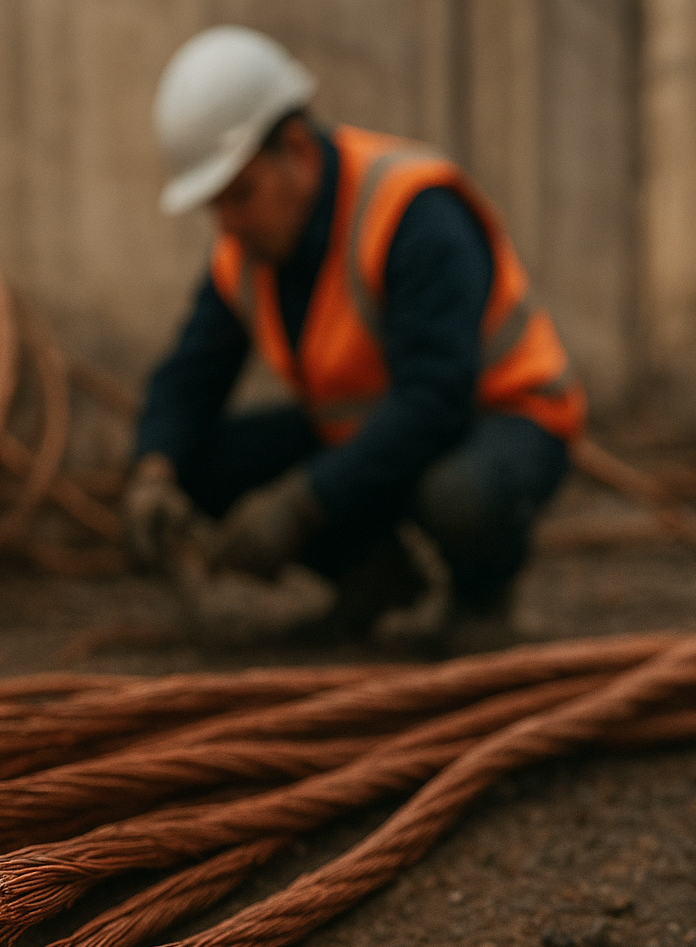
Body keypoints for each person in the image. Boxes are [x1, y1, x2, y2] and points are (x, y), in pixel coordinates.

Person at [123, 25, 585, 637]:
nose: (227, 223)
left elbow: (435, 401)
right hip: (379, 433)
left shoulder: (413, 213)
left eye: (239, 195)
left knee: (460, 497)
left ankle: (483, 600)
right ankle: (375, 576)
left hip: (503, 418)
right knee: (201, 464)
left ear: (297, 149)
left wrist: (298, 507)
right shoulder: (248, 253)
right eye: (216, 205)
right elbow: (190, 374)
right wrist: (154, 473)